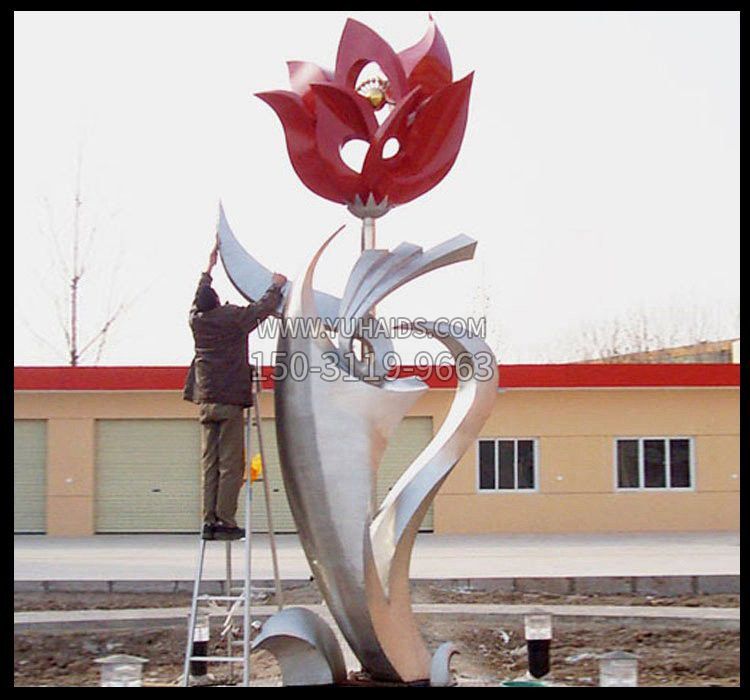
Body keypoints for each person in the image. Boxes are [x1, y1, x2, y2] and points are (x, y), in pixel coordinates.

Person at [183, 237, 287, 541]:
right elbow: (261, 310)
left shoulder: (196, 321)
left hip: (206, 401)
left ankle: (208, 521)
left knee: (210, 465)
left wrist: (209, 268)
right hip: (229, 401)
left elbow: (198, 297)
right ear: (218, 303)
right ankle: (225, 521)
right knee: (231, 465)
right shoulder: (230, 320)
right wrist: (276, 286)